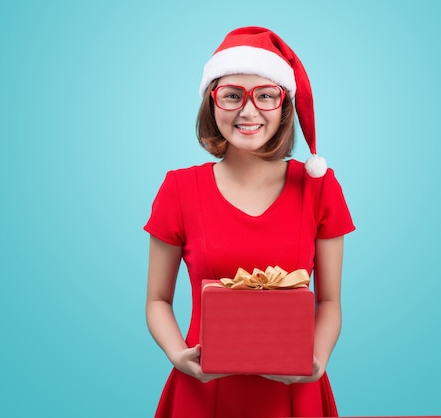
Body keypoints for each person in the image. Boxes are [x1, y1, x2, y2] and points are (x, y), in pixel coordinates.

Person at [144, 26, 355, 417]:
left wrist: (317, 361)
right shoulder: (179, 188)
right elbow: (157, 300)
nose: (248, 110)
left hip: (295, 397)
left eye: (265, 95)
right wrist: (178, 354)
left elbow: (329, 302)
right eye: (231, 95)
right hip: (201, 393)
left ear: (283, 105)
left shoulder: (320, 188)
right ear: (212, 103)